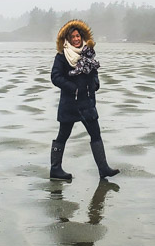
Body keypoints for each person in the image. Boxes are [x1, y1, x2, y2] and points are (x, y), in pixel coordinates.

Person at [49, 19, 119, 180]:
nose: (76, 39)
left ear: (82, 36)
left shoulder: (88, 53)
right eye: (73, 37)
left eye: (78, 36)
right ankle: (55, 170)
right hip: (69, 104)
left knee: (96, 134)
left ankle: (103, 168)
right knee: (62, 135)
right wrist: (73, 88)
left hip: (87, 102)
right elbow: (55, 77)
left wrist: (95, 83)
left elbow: (94, 71)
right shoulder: (61, 56)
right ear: (67, 39)